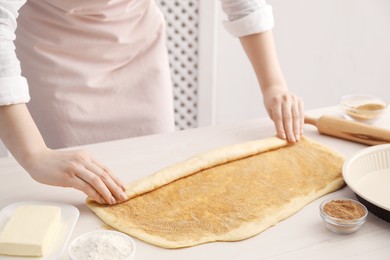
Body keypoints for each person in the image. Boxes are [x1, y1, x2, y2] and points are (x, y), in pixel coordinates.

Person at [0, 0, 304, 205]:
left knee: (153, 174)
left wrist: (273, 84)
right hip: (52, 57)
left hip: (138, 49)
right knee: (78, 190)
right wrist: (35, 154)